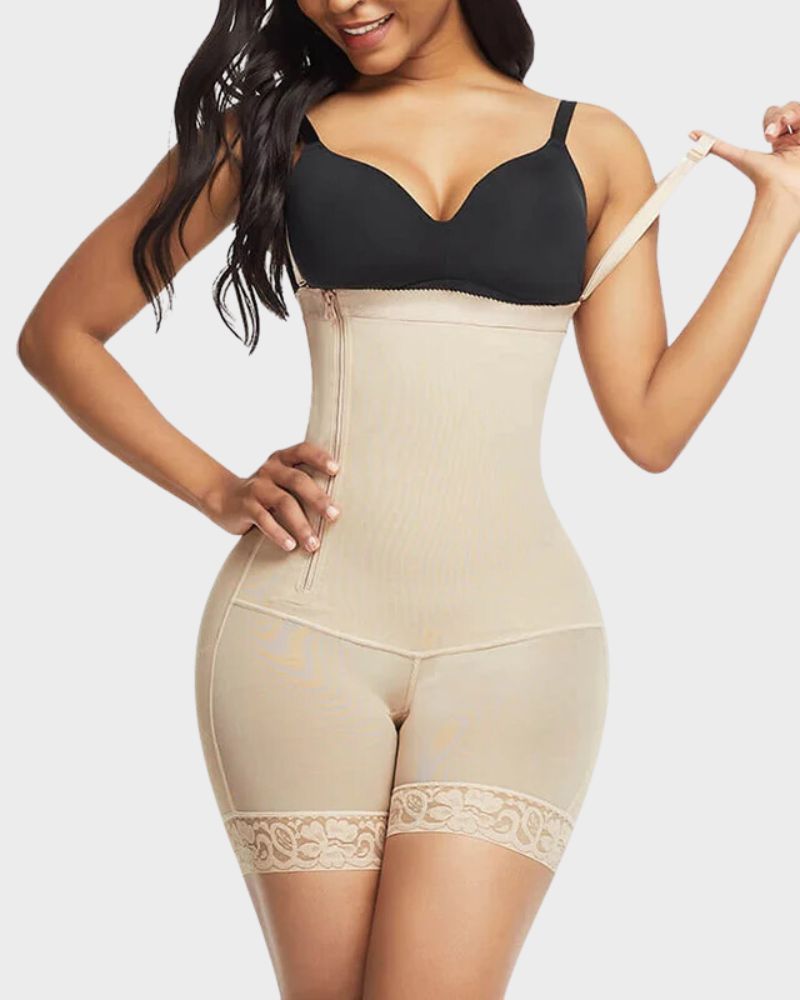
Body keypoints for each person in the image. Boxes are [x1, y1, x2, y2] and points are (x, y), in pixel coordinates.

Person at [17, 1, 800, 997]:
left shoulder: (593, 144)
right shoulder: (268, 132)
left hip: (517, 646)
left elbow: (650, 425)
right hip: (297, 638)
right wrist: (216, 487)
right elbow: (59, 334)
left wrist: (779, 211)